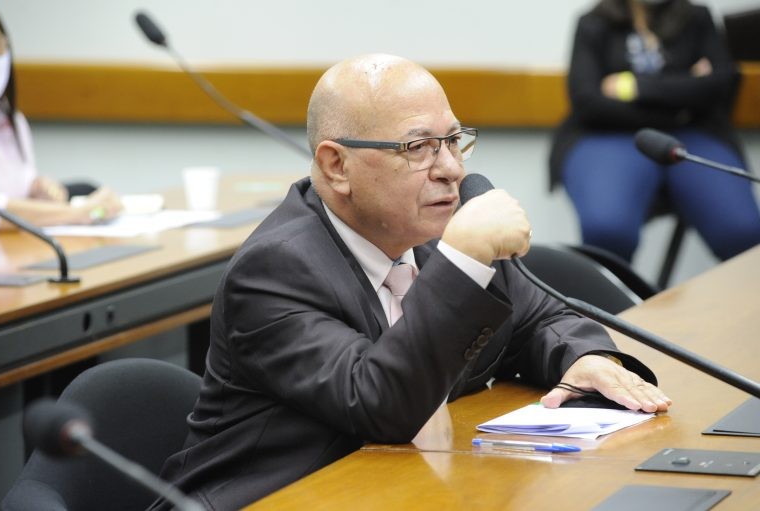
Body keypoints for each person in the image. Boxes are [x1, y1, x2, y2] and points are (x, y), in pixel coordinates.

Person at [151, 53, 671, 511]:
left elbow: (541, 317)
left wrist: (581, 358)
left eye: (453, 140)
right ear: (336, 167)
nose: (450, 169)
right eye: (418, 147)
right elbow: (378, 403)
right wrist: (463, 260)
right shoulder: (273, 272)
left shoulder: (426, 226)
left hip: (394, 487)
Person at [549, 0, 760, 263]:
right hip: (608, 135)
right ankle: (616, 303)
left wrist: (634, 87)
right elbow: (588, 102)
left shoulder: (696, 18)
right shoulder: (594, 22)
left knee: (742, 231)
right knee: (608, 229)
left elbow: (721, 85)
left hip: (694, 135)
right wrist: (683, 96)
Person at [0, 6, 121, 232]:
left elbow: (15, 194)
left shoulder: (12, 122)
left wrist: (38, 189)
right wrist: (80, 213)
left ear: (7, 45)